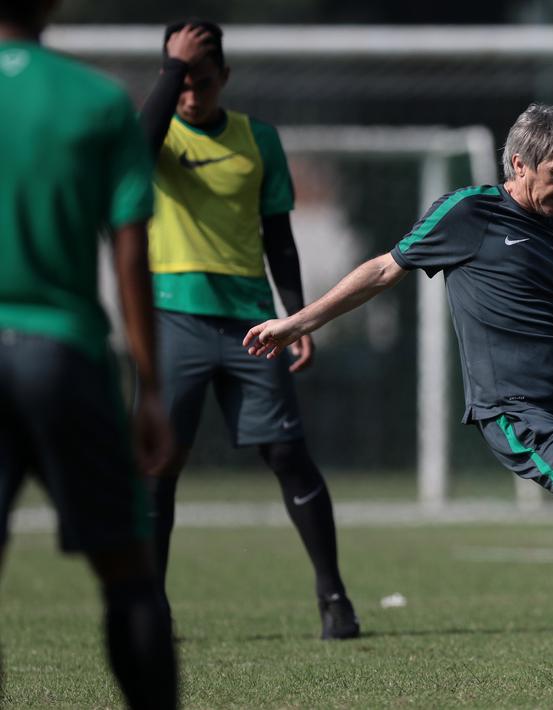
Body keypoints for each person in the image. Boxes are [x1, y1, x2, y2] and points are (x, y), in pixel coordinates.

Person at [244, 104, 553, 680]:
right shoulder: (469, 213)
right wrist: (298, 322)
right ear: (521, 163)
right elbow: (383, 269)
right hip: (515, 411)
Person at [140, 20, 358, 639]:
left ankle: (334, 596)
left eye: (201, 81)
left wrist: (297, 318)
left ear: (225, 78)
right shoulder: (155, 133)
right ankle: (152, 609)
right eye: (178, 81)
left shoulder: (257, 140)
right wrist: (169, 72)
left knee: (288, 454)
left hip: (251, 323)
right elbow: (132, 152)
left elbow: (279, 240)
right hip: (171, 318)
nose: (189, 94)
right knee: (159, 464)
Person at [0, 0, 179, 705]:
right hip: (64, 355)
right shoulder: (97, 99)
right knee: (128, 571)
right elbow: (131, 254)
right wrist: (151, 386)